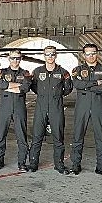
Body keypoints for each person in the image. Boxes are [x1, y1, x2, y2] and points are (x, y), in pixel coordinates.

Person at [69, 43, 102, 178]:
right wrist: (95, 83)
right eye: (88, 53)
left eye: (93, 53)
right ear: (84, 55)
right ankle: (76, 164)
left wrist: (86, 86)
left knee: (101, 136)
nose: (91, 56)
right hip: (82, 106)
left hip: (98, 106)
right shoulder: (78, 70)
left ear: (97, 53)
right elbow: (77, 84)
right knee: (78, 135)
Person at [29, 46, 73, 174]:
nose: (50, 56)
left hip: (56, 107)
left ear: (56, 55)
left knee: (58, 137)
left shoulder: (63, 72)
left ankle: (59, 164)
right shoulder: (37, 71)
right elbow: (34, 87)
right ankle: (33, 163)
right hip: (41, 107)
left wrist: (56, 96)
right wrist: (44, 96)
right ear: (44, 56)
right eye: (47, 54)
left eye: (52, 54)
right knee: (37, 136)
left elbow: (68, 88)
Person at [0, 49, 31, 172]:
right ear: (9, 59)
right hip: (5, 106)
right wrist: (17, 85)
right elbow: (1, 85)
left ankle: (22, 162)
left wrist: (9, 86)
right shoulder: (2, 72)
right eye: (13, 58)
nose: (15, 60)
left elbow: (25, 87)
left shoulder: (25, 73)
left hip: (19, 107)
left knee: (22, 135)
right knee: (1, 134)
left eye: (18, 58)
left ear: (21, 59)